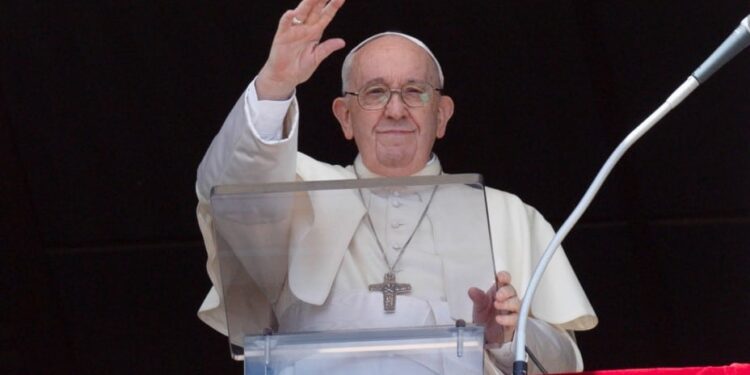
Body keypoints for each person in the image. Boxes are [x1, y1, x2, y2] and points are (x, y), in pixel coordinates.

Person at [195, 0, 597, 374]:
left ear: (441, 115)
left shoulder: (508, 215)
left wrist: (506, 338)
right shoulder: (295, 192)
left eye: (414, 91)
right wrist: (275, 83)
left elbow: (564, 362)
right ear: (345, 117)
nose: (395, 109)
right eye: (374, 92)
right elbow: (226, 196)